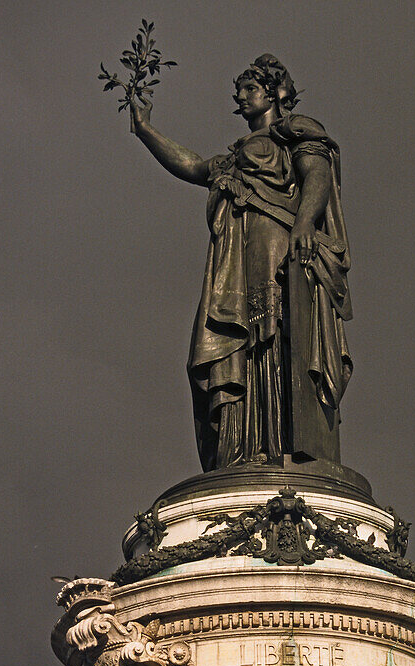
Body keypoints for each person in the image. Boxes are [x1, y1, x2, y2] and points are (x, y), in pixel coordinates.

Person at [131, 54, 353, 471]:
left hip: (275, 245)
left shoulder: (296, 132)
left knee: (272, 332)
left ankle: (280, 442)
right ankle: (243, 448)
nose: (240, 95)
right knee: (237, 341)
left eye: (250, 88)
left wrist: (305, 223)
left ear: (275, 93)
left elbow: (316, 175)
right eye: (240, 90)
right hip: (233, 258)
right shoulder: (233, 158)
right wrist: (145, 130)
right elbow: (194, 166)